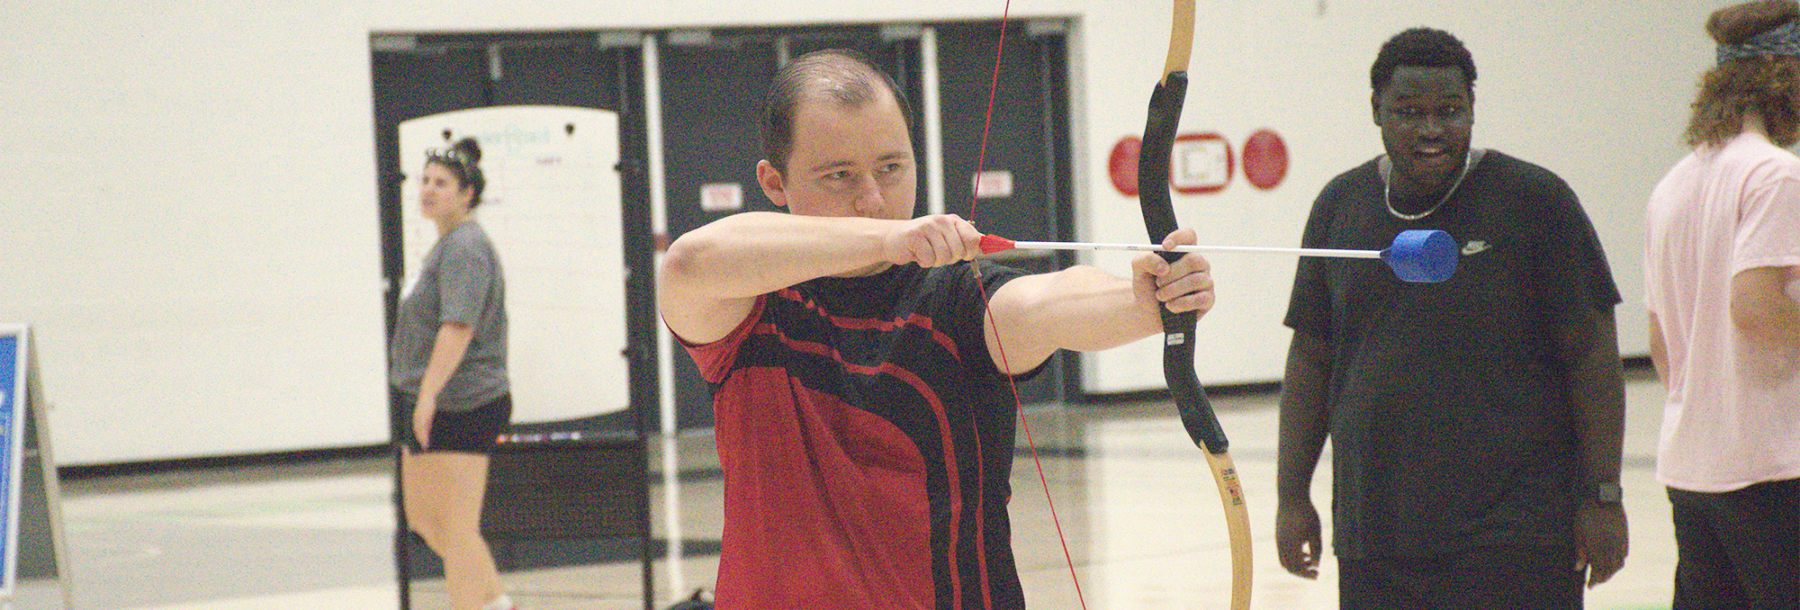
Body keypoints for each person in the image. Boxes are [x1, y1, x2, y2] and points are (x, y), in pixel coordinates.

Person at [657, 49, 1215, 608]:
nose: (873, 199)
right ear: (774, 183)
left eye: (892, 168)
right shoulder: (748, 305)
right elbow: (688, 264)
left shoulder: (953, 299)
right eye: (839, 176)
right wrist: (885, 240)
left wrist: (1142, 301)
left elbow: (1044, 302)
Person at [1273, 28, 1629, 609]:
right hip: (1376, 532)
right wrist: (1292, 497)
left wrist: (1604, 496)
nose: (1431, 129)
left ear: (1472, 109)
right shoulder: (1340, 205)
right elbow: (1311, 360)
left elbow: (1592, 355)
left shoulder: (1536, 201)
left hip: (1518, 532)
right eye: (1408, 112)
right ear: (1376, 111)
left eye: (1450, 111)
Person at [1643, 1, 1800, 607]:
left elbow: (1660, 345)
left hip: (1692, 468)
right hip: (1769, 469)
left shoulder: (1673, 184)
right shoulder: (1774, 175)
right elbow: (1757, 311)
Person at [388, 137, 517, 610]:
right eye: (425, 181)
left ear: (467, 195)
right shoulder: (447, 246)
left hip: (463, 401)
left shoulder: (466, 248)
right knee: (426, 519)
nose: (428, 190)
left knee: (457, 527)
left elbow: (457, 329)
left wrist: (427, 397)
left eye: (441, 183)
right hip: (431, 400)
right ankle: (498, 602)